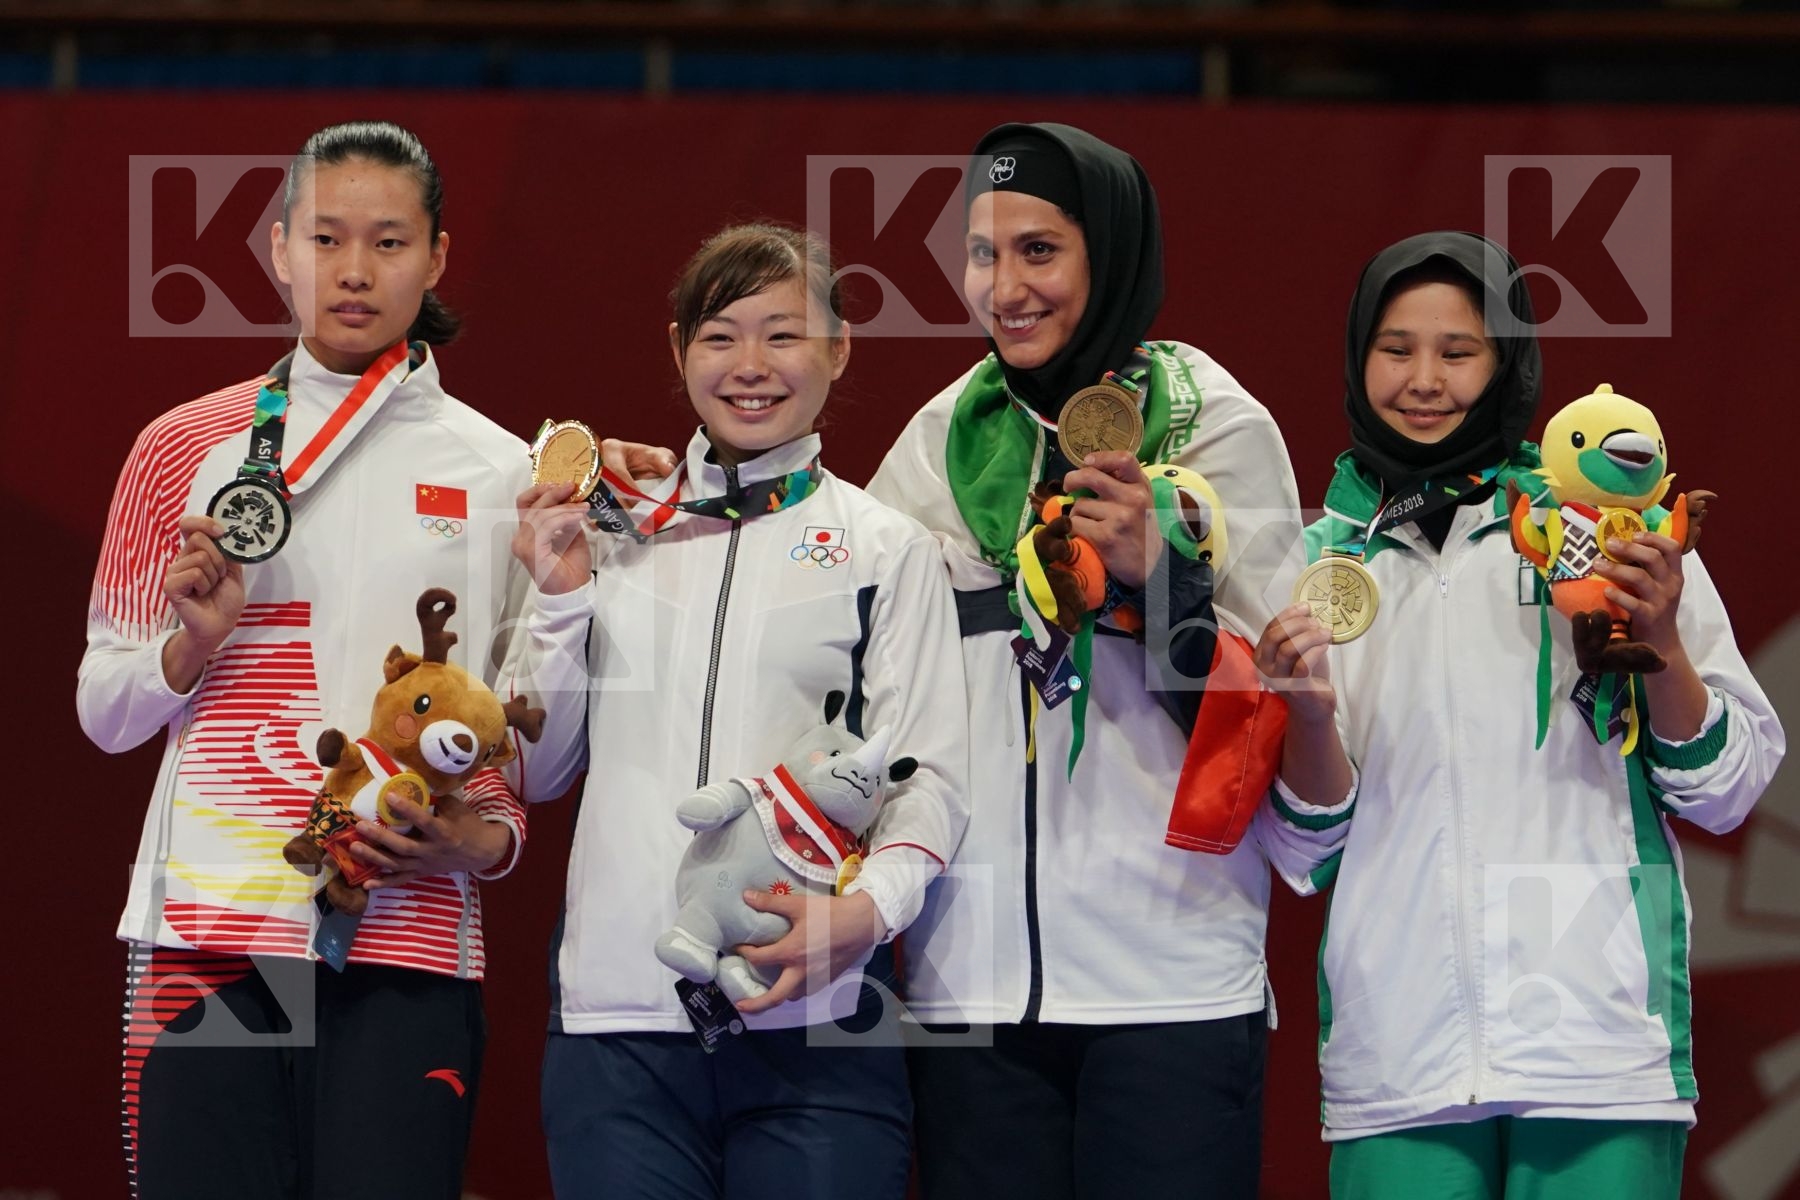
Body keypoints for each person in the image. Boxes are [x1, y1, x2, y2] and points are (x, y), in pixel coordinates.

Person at [1257, 230, 1785, 1198]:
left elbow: (1727, 787)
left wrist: (1662, 639)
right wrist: (1310, 719)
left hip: (1596, 1043)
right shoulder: (1320, 564)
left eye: (1458, 352)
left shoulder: (1611, 532)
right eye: (1395, 348)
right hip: (1401, 1053)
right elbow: (1302, 853)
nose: (1424, 379)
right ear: (1356, 358)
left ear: (1507, 365)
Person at [78, 120, 532, 1200]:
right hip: (207, 923)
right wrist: (192, 644)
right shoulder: (182, 447)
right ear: (279, 249)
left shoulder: (502, 469)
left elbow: (515, 740)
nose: (355, 271)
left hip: (405, 936)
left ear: (437, 258)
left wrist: (476, 842)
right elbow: (103, 710)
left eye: (387, 242)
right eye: (325, 239)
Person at [865, 121, 1305, 1198]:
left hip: (1172, 982)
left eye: (1039, 251)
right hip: (973, 987)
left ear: (1108, 255)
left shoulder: (1216, 430)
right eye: (983, 253)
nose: (1004, 286)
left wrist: (1164, 583)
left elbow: (1282, 714)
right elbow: (861, 669)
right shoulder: (939, 440)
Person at [504, 222, 968, 1200]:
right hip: (619, 1025)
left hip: (819, 1019)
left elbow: (929, 777)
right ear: (677, 351)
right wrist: (555, 595)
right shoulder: (615, 533)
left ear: (838, 351)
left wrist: (859, 918)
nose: (750, 366)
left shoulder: (885, 548)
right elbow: (539, 772)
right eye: (719, 335)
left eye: (784, 335)